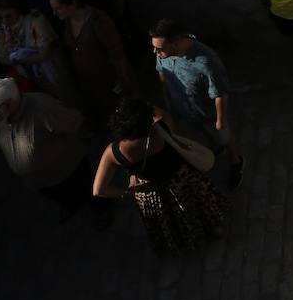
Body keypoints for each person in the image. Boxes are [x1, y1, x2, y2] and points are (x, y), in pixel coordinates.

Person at [92, 98, 228, 255]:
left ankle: (184, 242)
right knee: (198, 205)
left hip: (150, 191)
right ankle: (215, 229)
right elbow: (160, 112)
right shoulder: (162, 129)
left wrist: (126, 191)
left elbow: (98, 190)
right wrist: (144, 107)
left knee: (168, 220)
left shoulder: (113, 152)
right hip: (181, 179)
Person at [0, 78, 109, 226]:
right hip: (41, 180)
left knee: (88, 191)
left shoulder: (43, 108)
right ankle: (72, 205)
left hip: (68, 170)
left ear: (8, 104)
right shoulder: (0, 117)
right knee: (62, 196)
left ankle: (102, 211)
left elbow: (74, 121)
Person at [149, 19, 243, 190]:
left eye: (159, 48)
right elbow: (162, 74)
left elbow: (220, 93)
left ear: (176, 43)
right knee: (202, 135)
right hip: (183, 109)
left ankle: (235, 161)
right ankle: (214, 149)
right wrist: (167, 99)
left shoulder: (206, 61)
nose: (155, 51)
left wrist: (220, 121)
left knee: (223, 137)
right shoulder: (163, 54)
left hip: (207, 113)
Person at [50, 0, 138, 124]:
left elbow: (117, 53)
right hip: (92, 85)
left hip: (110, 82)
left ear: (72, 4)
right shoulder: (67, 22)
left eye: (59, 8)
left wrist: (121, 80)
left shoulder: (98, 21)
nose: (55, 13)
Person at [0, 0, 73, 102]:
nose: (5, 21)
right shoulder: (0, 28)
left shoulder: (36, 19)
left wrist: (16, 59)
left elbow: (44, 54)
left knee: (67, 100)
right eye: (0, 18)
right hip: (28, 77)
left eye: (9, 16)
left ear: (18, 10)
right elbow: (3, 58)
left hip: (53, 71)